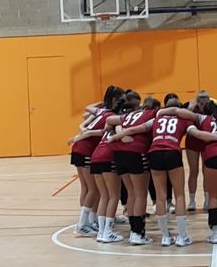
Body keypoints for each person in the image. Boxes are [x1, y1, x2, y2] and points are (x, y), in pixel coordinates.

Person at [161, 101, 217, 244]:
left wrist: (160, 113)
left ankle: (215, 233)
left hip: (213, 154)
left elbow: (177, 111)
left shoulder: (201, 118)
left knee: (213, 196)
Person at [68, 86, 124, 237]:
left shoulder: (101, 111)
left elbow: (86, 115)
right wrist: (79, 136)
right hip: (86, 149)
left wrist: (77, 136)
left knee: (87, 188)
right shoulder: (109, 116)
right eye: (120, 98)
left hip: (79, 149)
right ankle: (83, 224)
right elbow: (96, 131)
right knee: (93, 189)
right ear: (115, 99)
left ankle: (88, 222)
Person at [107, 93, 160, 245]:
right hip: (136, 152)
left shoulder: (131, 114)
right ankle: (138, 233)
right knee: (141, 194)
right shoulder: (152, 113)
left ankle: (133, 232)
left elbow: (109, 120)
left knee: (131, 193)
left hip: (118, 154)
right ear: (155, 107)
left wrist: (118, 133)